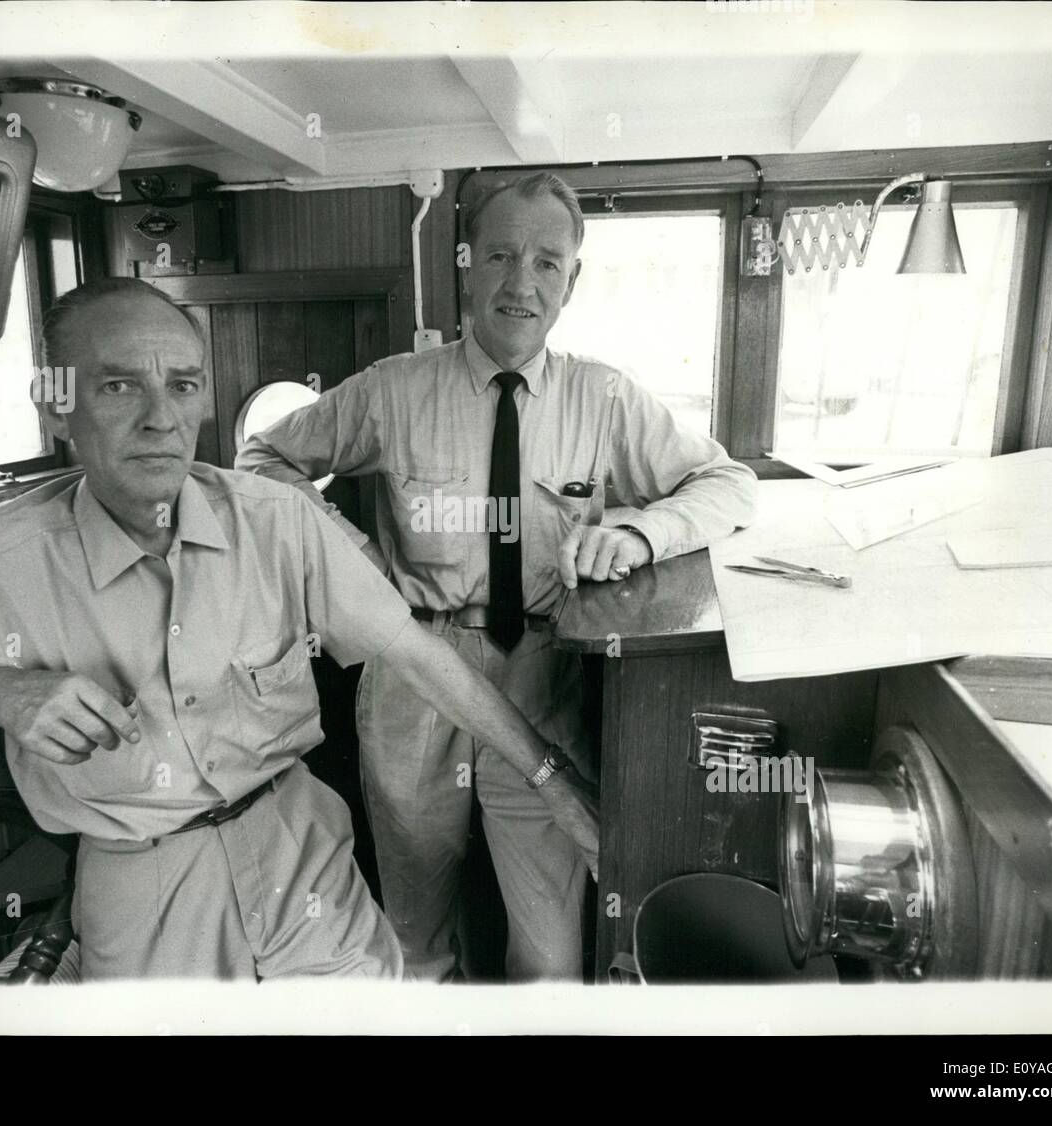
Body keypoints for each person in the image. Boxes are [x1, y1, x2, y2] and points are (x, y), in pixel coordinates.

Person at [0, 277, 598, 982]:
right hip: (139, 881)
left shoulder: (279, 523)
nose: (160, 418)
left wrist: (553, 780)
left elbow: (417, 655)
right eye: (118, 386)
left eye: (182, 386)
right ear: (54, 406)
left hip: (299, 855)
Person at [236, 172, 758, 982]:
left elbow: (730, 484)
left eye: (549, 262)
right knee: (413, 925)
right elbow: (260, 457)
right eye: (503, 255)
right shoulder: (393, 391)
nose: (524, 282)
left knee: (549, 945)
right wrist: (352, 561)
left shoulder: (605, 397)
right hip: (414, 674)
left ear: (572, 281)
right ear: (466, 263)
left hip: (541, 679)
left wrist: (642, 531)